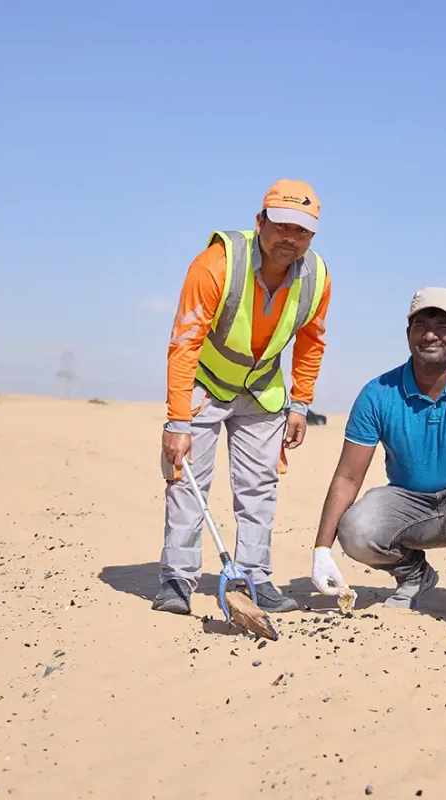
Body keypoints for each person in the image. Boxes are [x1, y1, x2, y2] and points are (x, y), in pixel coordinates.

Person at [155, 179, 332, 615]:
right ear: (260, 221)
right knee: (186, 483)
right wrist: (178, 422)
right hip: (206, 383)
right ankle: (177, 580)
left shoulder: (318, 278)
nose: (291, 238)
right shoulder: (216, 264)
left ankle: (256, 577)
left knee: (260, 488)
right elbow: (185, 340)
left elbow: (311, 342)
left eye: (302, 231)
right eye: (282, 225)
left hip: (261, 391)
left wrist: (300, 403)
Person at [308, 287, 446, 609]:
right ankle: (414, 575)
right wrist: (322, 550)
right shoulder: (378, 393)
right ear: (408, 335)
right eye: (421, 326)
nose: (431, 335)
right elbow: (347, 478)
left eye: (443, 327)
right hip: (409, 504)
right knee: (357, 529)